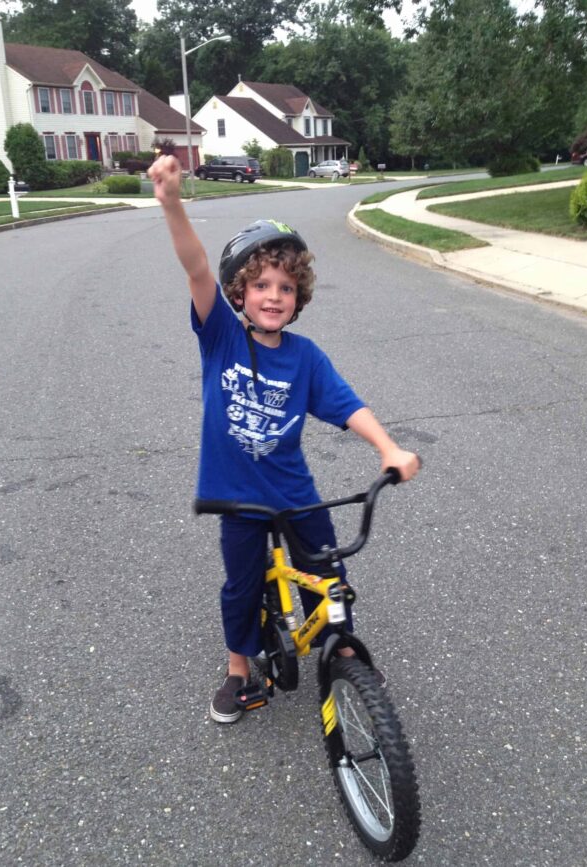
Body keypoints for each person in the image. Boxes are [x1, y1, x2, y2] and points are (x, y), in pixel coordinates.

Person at [148, 155, 421, 723]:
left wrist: (388, 447)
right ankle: (239, 670)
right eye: (261, 285)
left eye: (286, 287)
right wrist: (172, 204)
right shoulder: (221, 335)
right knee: (242, 589)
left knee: (329, 574)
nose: (274, 296)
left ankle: (343, 650)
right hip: (237, 496)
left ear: (299, 297)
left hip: (295, 491)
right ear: (240, 293)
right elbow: (197, 269)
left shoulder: (304, 357)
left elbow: (346, 406)